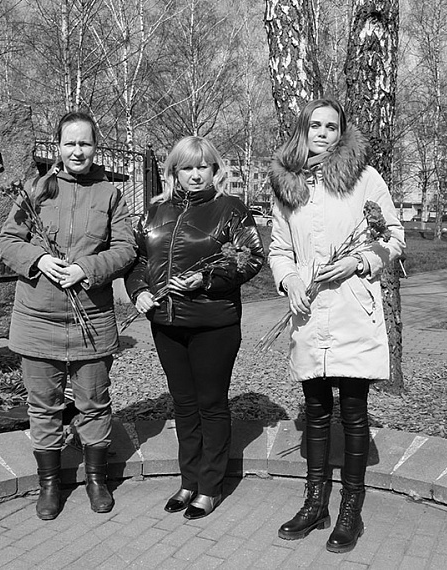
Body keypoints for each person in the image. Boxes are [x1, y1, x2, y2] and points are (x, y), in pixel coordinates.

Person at [268, 98, 405, 552]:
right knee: (316, 410)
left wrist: (359, 262)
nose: (323, 133)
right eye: (315, 125)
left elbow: (393, 236)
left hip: (351, 308)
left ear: (342, 132)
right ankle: (315, 503)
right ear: (302, 131)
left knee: (353, 411)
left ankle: (350, 508)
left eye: (331, 126)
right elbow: (279, 248)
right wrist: (289, 280)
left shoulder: (365, 179)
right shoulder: (288, 184)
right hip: (309, 311)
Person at [0, 110, 136, 520]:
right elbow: (8, 241)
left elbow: (126, 249)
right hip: (37, 320)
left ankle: (96, 480)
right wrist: (39, 259)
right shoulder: (35, 189)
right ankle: (49, 485)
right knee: (44, 407)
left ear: (96, 147)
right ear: (57, 146)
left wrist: (87, 269)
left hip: (91, 320)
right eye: (70, 143)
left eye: (85, 143)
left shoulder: (110, 195)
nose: (77, 151)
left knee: (94, 403)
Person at [124, 136, 264, 520]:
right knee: (184, 405)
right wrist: (139, 291)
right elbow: (137, 260)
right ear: (174, 171)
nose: (196, 174)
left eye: (203, 166)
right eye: (187, 167)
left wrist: (206, 279)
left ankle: (209, 486)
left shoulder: (230, 209)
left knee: (211, 404)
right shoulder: (155, 212)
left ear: (215, 169)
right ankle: (188, 481)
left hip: (212, 322)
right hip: (166, 323)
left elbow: (251, 257)